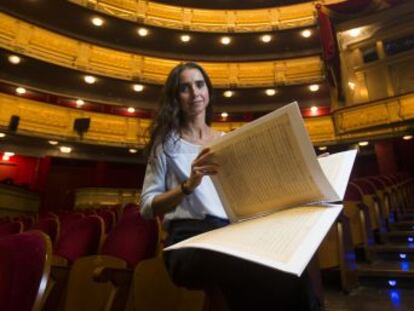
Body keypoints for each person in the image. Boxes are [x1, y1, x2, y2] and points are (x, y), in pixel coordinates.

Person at [140, 62, 321, 310]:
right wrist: (187, 186)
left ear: (208, 91)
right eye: (185, 88)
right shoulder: (165, 146)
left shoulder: (226, 141)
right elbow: (147, 207)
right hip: (188, 240)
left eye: (199, 84)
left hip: (231, 232)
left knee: (287, 265)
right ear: (176, 97)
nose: (194, 93)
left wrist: (302, 167)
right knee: (241, 262)